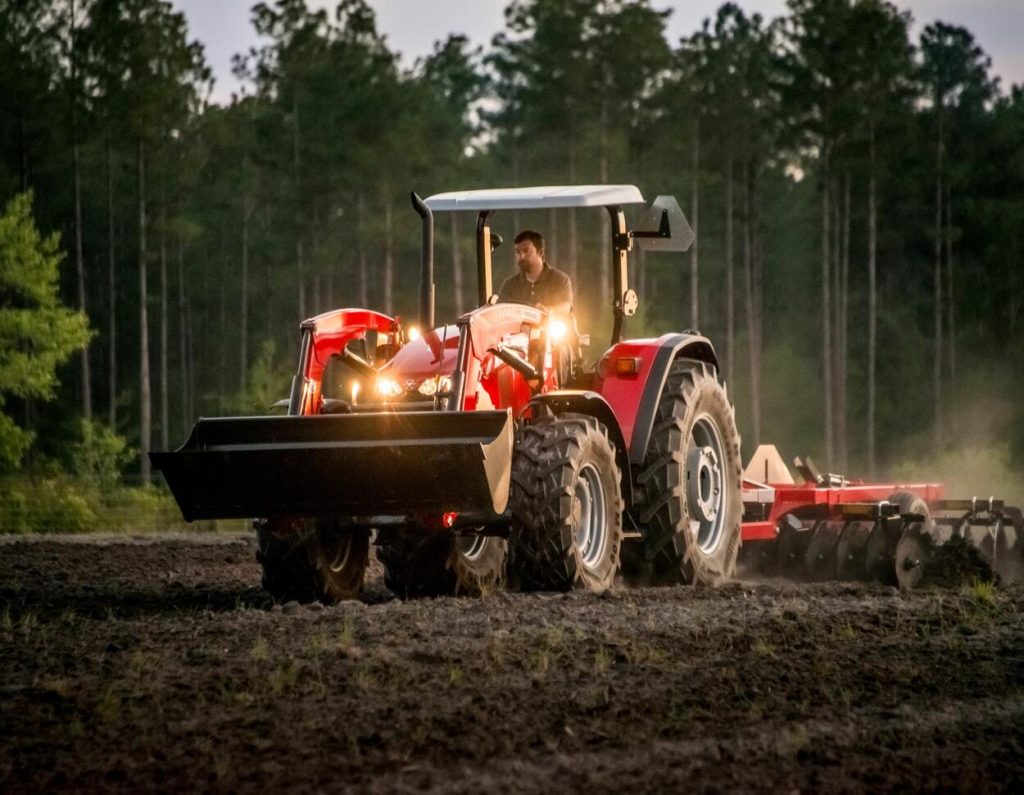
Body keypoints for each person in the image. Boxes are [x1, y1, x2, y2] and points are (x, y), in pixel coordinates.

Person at [497, 230, 573, 314]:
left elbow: (566, 306)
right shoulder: (509, 285)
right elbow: (501, 311)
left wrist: (547, 310)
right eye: (518, 252)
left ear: (540, 252)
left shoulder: (559, 279)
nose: (521, 256)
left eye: (526, 251)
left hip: (548, 325)